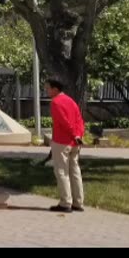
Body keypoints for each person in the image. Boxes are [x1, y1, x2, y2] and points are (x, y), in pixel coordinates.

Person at [46, 78, 85, 213]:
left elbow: (63, 121)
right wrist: (78, 135)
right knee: (75, 171)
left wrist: (73, 134)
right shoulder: (71, 101)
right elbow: (79, 119)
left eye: (48, 88)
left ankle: (65, 202)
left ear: (55, 89)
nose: (47, 90)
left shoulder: (56, 102)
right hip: (75, 142)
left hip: (62, 141)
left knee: (61, 171)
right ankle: (78, 202)